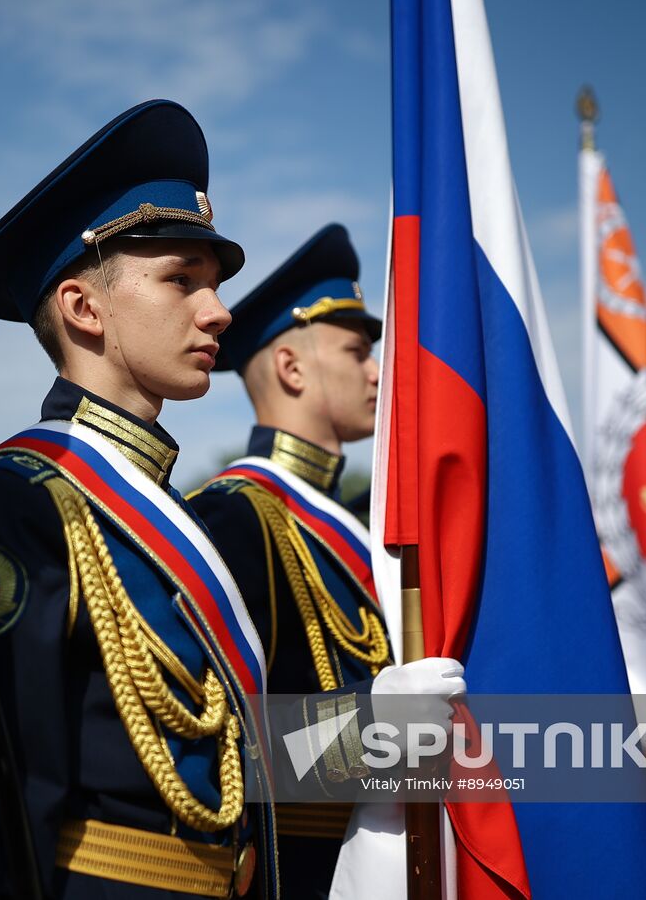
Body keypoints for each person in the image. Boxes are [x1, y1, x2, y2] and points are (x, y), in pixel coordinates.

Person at [0, 102, 466, 899]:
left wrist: (369, 724)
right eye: (181, 280)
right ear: (83, 308)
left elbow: (237, 761)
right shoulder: (17, 503)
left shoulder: (164, 515)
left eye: (215, 282)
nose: (219, 310)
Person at [185, 224, 391, 898]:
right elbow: (219, 750)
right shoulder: (233, 515)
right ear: (291, 367)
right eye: (358, 351)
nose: (378, 370)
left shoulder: (355, 524)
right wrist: (378, 730)